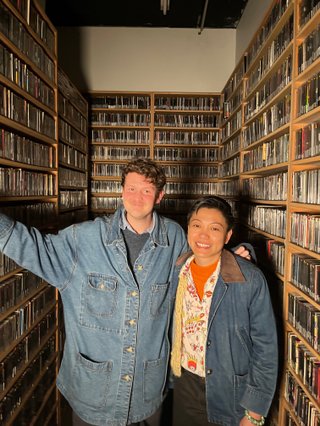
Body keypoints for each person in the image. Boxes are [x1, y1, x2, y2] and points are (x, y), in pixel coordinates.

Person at [0, 159, 251, 426]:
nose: (137, 197)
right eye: (131, 188)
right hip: (94, 393)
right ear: (121, 191)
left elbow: (196, 271)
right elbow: (31, 246)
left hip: (147, 393)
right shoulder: (83, 239)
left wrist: (230, 257)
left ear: (159, 196)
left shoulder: (175, 238)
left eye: (146, 190)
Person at [170, 196, 278, 426]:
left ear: (228, 236)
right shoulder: (177, 271)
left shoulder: (249, 279)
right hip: (185, 385)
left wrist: (254, 413)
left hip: (230, 392)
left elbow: (266, 349)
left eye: (215, 228)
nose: (203, 235)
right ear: (188, 229)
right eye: (197, 226)